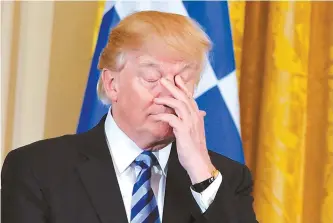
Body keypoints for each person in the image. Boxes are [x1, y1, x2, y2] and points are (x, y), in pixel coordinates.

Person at [1, 11, 257, 223]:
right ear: (112, 84)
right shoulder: (37, 169)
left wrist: (201, 173)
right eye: (151, 78)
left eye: (181, 80)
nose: (167, 94)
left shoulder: (227, 179)